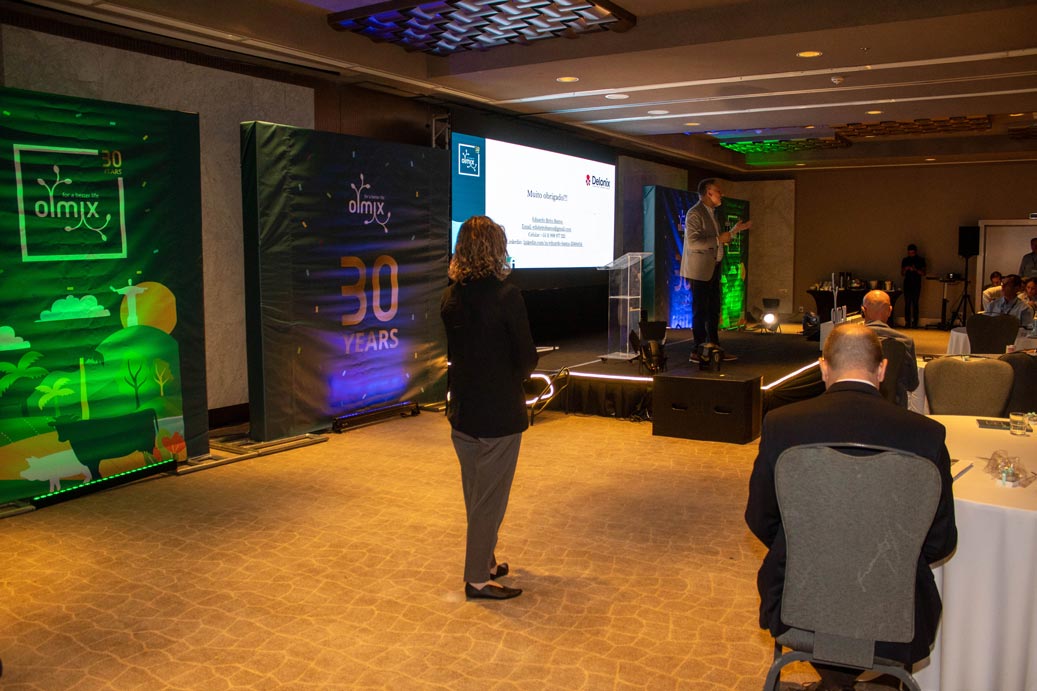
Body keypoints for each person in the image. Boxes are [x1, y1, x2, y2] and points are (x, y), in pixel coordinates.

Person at [745, 323, 957, 691]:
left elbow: (760, 519)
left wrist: (812, 555)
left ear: (823, 368)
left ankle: (832, 681)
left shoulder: (781, 425)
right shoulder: (927, 435)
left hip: (798, 605)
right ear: (882, 370)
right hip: (898, 617)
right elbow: (940, 541)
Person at [441, 215, 538, 600]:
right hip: (499, 414)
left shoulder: (449, 297)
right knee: (490, 501)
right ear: (496, 249)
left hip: (463, 411)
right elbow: (526, 358)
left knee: (477, 496)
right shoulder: (507, 296)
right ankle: (477, 579)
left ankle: (486, 560)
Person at [680, 178, 750, 362]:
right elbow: (694, 242)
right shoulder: (695, 213)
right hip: (700, 269)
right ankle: (698, 349)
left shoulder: (712, 213)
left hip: (713, 267)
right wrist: (719, 239)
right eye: (718, 191)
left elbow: (719, 238)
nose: (721, 194)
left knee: (713, 310)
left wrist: (733, 231)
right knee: (700, 311)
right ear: (708, 192)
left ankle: (714, 347)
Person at [860, 290, 918, 408]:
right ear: (890, 311)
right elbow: (912, 384)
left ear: (863, 311)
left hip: (858, 407)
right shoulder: (906, 342)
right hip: (895, 410)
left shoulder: (849, 340)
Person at [900, 244, 926, 328]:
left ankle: (915, 323)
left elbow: (923, 273)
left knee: (915, 303)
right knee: (907, 303)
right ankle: (907, 322)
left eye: (912, 253)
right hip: (907, 284)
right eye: (909, 253)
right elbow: (902, 273)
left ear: (915, 252)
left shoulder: (920, 260)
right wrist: (906, 268)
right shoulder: (905, 260)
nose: (911, 254)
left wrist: (915, 269)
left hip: (916, 284)